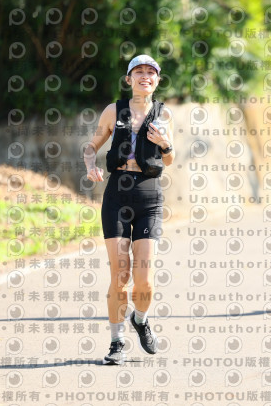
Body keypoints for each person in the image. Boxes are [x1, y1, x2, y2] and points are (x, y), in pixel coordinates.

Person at [84, 54, 175, 364]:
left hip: (149, 196)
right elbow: (92, 146)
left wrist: (165, 143)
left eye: (151, 72)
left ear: (157, 80)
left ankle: (140, 319)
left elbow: (170, 158)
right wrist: (90, 164)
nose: (145, 76)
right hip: (117, 196)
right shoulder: (114, 110)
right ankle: (116, 342)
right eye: (139, 71)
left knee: (145, 278)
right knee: (120, 274)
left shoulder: (164, 115)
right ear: (129, 79)